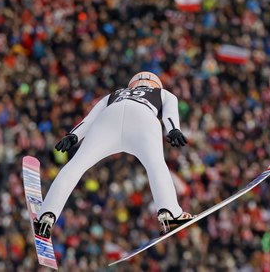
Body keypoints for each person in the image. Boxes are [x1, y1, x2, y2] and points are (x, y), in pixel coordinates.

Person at [34, 71, 194, 238]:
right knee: (156, 166)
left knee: (76, 166)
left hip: (110, 117)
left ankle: (46, 216)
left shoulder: (115, 94)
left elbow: (89, 119)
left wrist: (73, 135)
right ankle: (169, 214)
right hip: (143, 117)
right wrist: (174, 129)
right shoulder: (162, 93)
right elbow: (170, 114)